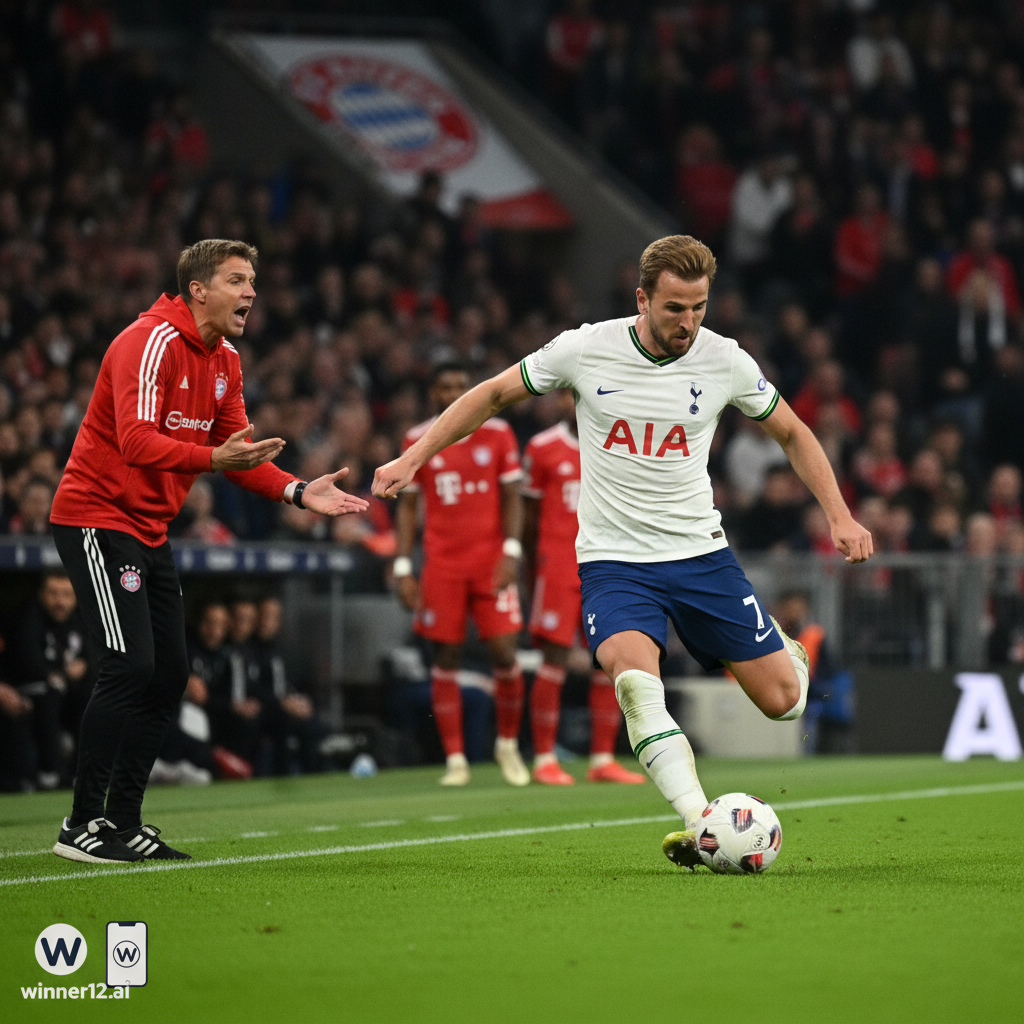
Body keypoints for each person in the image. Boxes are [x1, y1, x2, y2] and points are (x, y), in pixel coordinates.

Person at [373, 235, 872, 869]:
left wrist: (839, 515)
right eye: (674, 309)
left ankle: (785, 650)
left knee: (784, 703)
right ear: (642, 299)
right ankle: (702, 822)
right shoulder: (585, 349)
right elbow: (493, 395)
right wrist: (414, 456)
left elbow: (794, 433)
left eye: (699, 308)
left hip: (700, 556)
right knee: (636, 685)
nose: (688, 322)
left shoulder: (725, 360)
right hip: (615, 562)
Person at [47, 238, 368, 864]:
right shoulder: (148, 342)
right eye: (238, 280)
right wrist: (211, 459)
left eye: (252, 281)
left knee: (169, 673)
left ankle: (125, 821)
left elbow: (238, 456)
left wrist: (299, 491)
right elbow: (136, 440)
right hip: (96, 518)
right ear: (198, 289)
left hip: (149, 529)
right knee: (128, 665)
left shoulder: (226, 361)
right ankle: (80, 825)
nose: (251, 292)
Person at [393, 362, 529, 787]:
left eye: (460, 385)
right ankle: (456, 760)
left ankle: (506, 745)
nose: (453, 391)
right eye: (444, 386)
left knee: (505, 654)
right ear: (432, 393)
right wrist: (402, 567)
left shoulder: (498, 434)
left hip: (490, 562)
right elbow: (409, 506)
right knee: (445, 657)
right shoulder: (418, 440)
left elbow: (513, 497)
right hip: (442, 565)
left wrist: (511, 551)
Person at [521, 388, 644, 785]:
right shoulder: (542, 448)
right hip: (557, 565)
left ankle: (602, 759)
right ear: (560, 400)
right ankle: (543, 759)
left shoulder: (618, 443)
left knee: (608, 660)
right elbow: (527, 516)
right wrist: (530, 568)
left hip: (605, 565)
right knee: (554, 658)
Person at [16, 569, 95, 789]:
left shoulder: (81, 622)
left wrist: (86, 666)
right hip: (34, 692)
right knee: (49, 691)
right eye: (53, 593)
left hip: (69, 694)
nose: (60, 601)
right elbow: (28, 662)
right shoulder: (29, 618)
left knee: (94, 697)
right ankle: (50, 771)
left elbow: (96, 660)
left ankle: (83, 774)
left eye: (66, 595)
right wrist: (59, 673)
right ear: (42, 594)